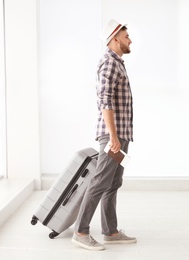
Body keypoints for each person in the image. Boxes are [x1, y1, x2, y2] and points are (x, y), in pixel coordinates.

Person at [71, 19, 136, 251]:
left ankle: (111, 231)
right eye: (127, 36)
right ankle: (81, 232)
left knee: (113, 182)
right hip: (113, 137)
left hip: (120, 135)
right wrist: (114, 137)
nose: (130, 40)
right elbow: (104, 102)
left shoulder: (118, 63)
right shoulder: (109, 63)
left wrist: (121, 136)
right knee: (100, 182)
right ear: (115, 38)